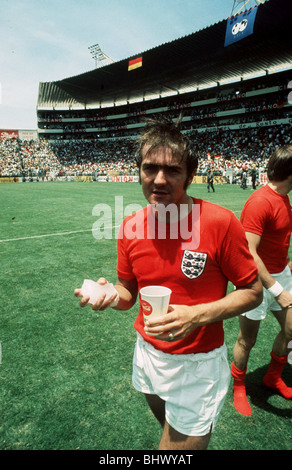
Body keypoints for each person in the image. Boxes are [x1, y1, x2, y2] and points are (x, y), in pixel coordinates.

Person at [74, 115, 262, 450]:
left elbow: (252, 293)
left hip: (198, 365)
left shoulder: (220, 222)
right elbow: (129, 293)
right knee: (172, 433)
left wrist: (197, 315)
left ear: (191, 175)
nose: (159, 179)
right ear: (139, 171)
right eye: (150, 168)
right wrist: (109, 295)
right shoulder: (131, 226)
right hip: (147, 355)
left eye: (172, 170)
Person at [231, 145, 292, 416]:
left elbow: (277, 242)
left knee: (291, 330)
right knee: (247, 339)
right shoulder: (260, 201)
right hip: (254, 280)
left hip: (280, 274)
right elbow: (249, 253)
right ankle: (238, 386)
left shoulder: (284, 198)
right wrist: (276, 289)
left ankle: (272, 377)